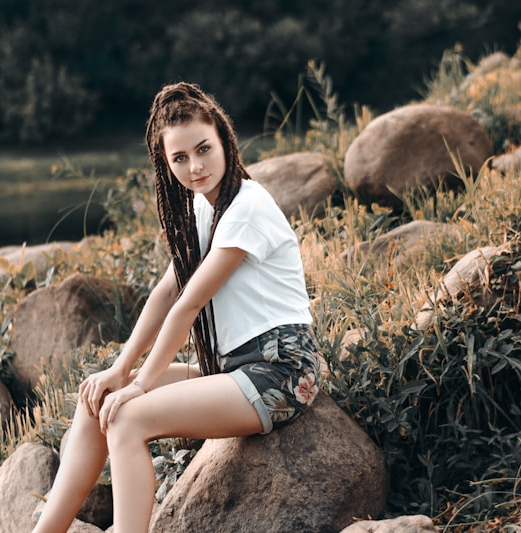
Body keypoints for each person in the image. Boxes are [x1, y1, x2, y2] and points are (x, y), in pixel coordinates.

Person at [32, 82, 321, 533]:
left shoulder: (246, 207)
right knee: (100, 399)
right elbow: (167, 292)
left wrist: (142, 384)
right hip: (232, 368)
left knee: (127, 417)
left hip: (280, 370)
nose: (196, 166)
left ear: (224, 139)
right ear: (166, 164)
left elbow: (187, 306)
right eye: (180, 158)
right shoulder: (207, 208)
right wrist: (120, 371)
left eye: (203, 149)